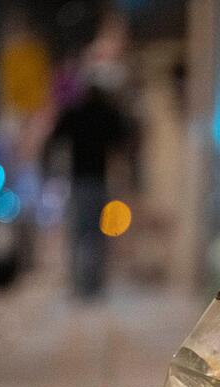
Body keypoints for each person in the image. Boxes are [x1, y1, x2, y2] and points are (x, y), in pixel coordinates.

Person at [49, 85, 136, 298]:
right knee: (97, 235)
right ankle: (93, 285)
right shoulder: (106, 114)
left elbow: (54, 138)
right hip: (98, 181)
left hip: (79, 182)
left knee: (78, 234)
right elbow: (124, 139)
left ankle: (78, 284)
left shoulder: (75, 115)